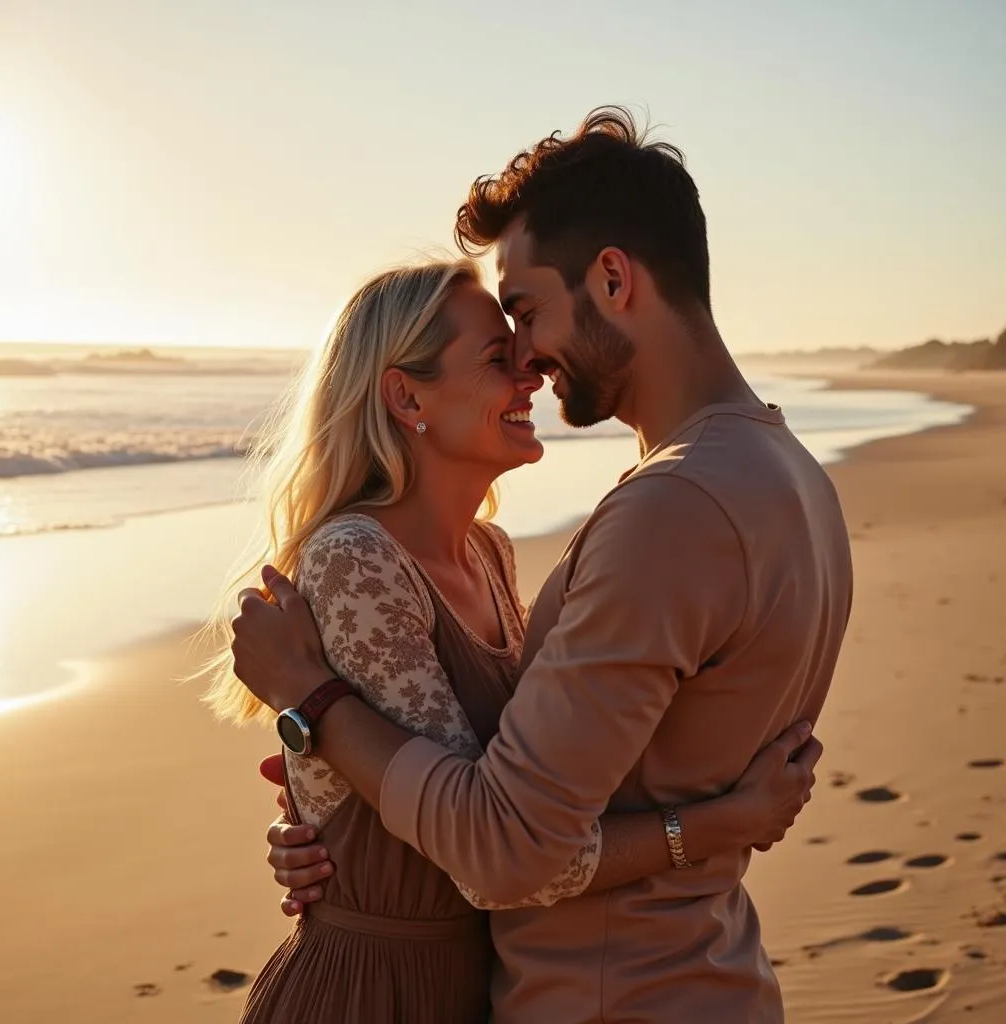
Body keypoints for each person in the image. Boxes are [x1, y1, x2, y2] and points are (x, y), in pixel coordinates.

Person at [233, 106, 853, 1022]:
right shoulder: (786, 473)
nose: (526, 359)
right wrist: (326, 805)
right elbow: (493, 782)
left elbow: (503, 844)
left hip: (617, 995)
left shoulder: (677, 509)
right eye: (499, 343)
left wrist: (312, 702)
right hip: (680, 974)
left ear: (611, 278)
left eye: (522, 314)